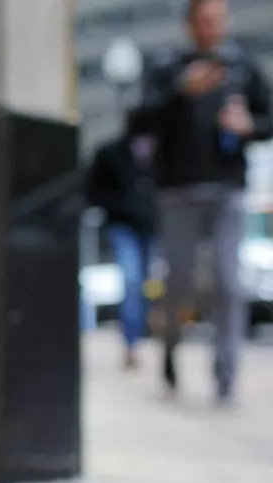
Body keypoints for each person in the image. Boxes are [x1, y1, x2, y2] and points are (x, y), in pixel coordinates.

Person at [141, 0, 272, 402]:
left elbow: (267, 121)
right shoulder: (167, 67)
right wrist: (182, 92)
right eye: (203, 20)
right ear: (190, 23)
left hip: (228, 188)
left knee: (228, 282)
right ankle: (170, 346)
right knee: (178, 281)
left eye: (217, 19)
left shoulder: (242, 67)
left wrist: (249, 126)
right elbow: (139, 119)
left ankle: (226, 377)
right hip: (177, 190)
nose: (210, 27)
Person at [88, 108, 158, 370]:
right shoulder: (110, 153)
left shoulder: (161, 152)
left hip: (152, 228)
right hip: (122, 225)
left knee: (148, 284)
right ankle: (131, 343)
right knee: (131, 280)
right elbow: (92, 190)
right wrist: (120, 207)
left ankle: (141, 333)